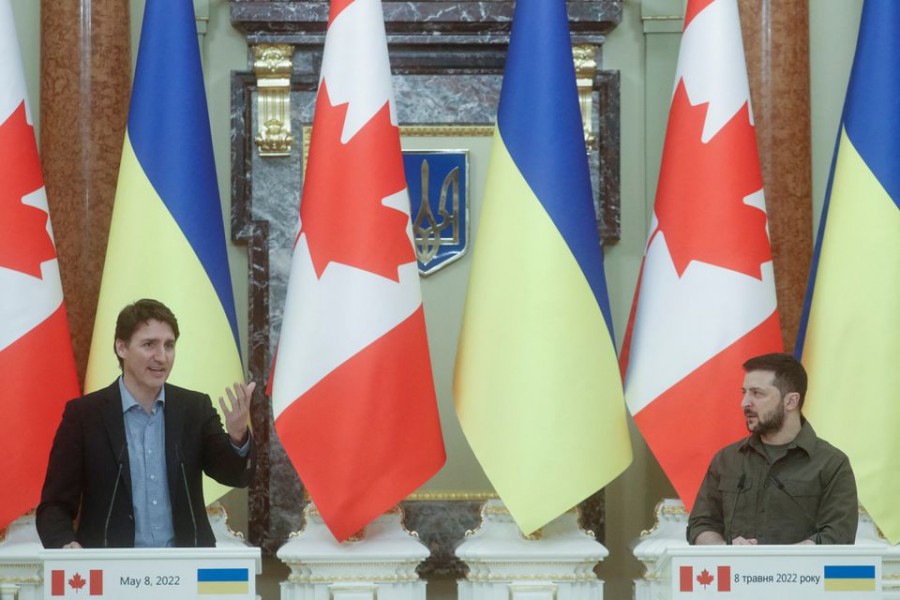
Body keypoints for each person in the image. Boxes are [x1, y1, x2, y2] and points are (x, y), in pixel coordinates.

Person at [36, 299, 256, 548]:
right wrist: (65, 544)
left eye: (169, 345)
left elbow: (233, 475)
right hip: (111, 570)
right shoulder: (84, 415)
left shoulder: (194, 408)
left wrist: (238, 436)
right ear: (122, 347)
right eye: (149, 344)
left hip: (184, 568)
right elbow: (54, 505)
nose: (161, 357)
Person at [687, 352, 857, 545]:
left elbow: (839, 535)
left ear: (791, 401)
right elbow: (701, 525)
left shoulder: (831, 464)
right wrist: (725, 549)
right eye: (744, 392)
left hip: (802, 574)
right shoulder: (727, 459)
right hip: (735, 573)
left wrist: (784, 562)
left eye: (757, 393)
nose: (745, 403)